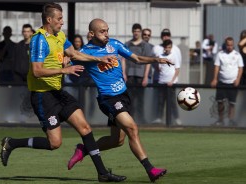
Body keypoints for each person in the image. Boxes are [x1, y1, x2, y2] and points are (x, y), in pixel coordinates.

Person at [0, 3, 126, 182]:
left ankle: (103, 173)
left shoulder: (59, 36)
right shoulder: (39, 40)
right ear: (49, 19)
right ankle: (12, 143)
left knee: (85, 128)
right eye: (59, 18)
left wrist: (99, 58)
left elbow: (74, 54)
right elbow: (37, 71)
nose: (62, 22)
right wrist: (63, 71)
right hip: (43, 96)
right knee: (55, 143)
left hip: (58, 92)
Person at [68, 18, 171, 182]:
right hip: (108, 99)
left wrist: (156, 60)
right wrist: (63, 67)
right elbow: (67, 59)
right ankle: (150, 169)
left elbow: (136, 58)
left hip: (124, 96)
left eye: (107, 30)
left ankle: (84, 149)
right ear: (92, 33)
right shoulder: (85, 51)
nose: (106, 34)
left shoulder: (114, 44)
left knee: (117, 141)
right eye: (102, 31)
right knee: (132, 128)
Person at [121, 23, 152, 123]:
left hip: (140, 75)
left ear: (140, 32)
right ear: (132, 32)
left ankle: (141, 119)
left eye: (138, 31)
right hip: (129, 75)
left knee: (140, 99)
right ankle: (130, 118)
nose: (136, 33)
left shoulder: (145, 45)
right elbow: (123, 60)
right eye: (135, 31)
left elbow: (148, 61)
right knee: (130, 98)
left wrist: (146, 76)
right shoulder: (127, 44)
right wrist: (124, 74)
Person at [210, 37, 243, 127]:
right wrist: (215, 79)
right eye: (228, 45)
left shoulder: (237, 55)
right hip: (222, 82)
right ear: (225, 45)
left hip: (233, 83)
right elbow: (216, 67)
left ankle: (231, 120)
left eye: (231, 45)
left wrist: (238, 79)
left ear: (233, 45)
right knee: (220, 102)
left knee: (232, 103)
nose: (229, 47)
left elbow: (240, 68)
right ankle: (220, 120)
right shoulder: (220, 54)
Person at [152, 40, 181, 125]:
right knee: (160, 101)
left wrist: (172, 81)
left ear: (171, 47)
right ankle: (159, 118)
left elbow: (177, 69)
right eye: (166, 47)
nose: (167, 49)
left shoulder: (174, 56)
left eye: (169, 47)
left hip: (171, 83)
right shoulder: (160, 56)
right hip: (162, 82)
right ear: (164, 48)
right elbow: (159, 68)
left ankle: (176, 118)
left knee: (172, 102)